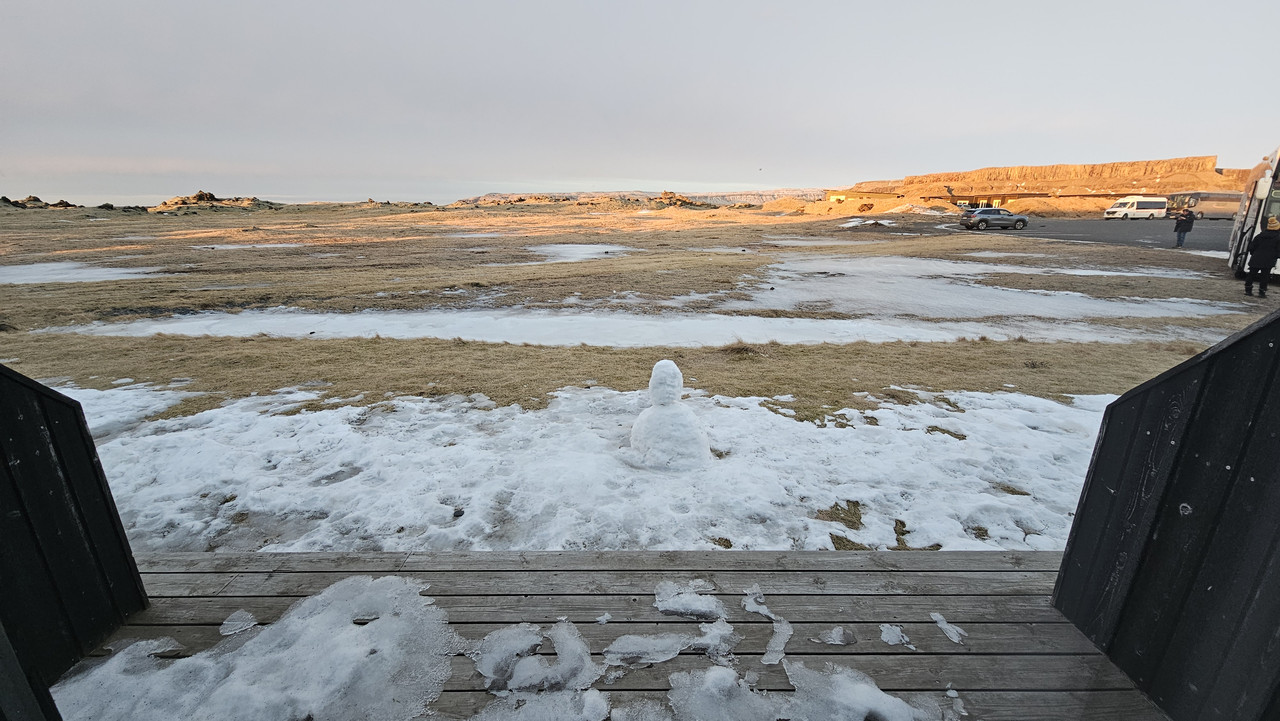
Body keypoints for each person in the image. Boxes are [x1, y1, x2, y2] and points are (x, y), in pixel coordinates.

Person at [1245, 216, 1280, 298]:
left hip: (1256, 258)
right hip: (1269, 260)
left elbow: (1251, 247)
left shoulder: (1260, 236)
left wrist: (1254, 254)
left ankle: (1248, 290)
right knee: (1265, 277)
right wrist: (1275, 256)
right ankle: (1262, 292)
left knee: (1251, 275)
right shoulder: (1278, 238)